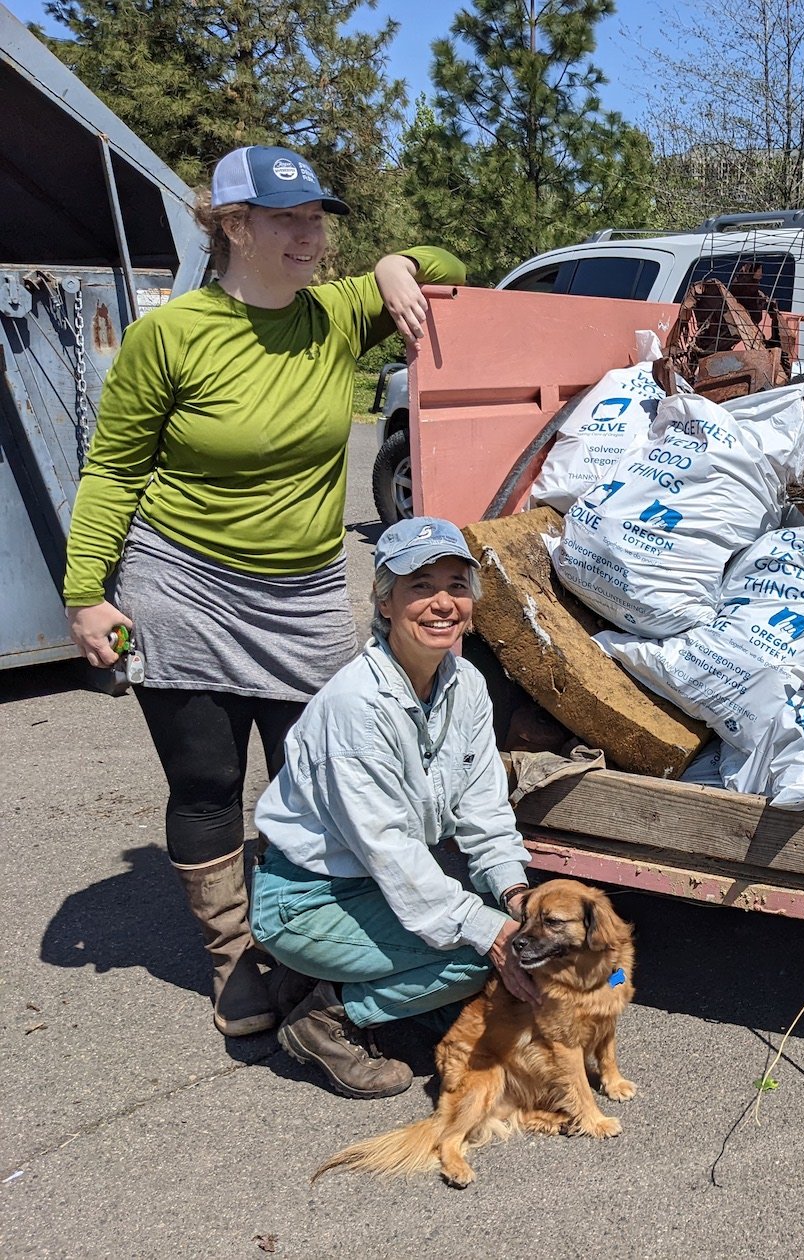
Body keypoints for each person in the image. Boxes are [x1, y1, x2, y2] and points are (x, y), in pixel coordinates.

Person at [60, 145, 468, 1041]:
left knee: (318, 780)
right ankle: (234, 962)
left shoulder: (337, 311)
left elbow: (451, 268)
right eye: (287, 220)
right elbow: (115, 469)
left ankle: (304, 941)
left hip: (307, 592)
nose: (310, 235)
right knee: (208, 779)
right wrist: (86, 593)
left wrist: (396, 265)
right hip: (184, 583)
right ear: (233, 226)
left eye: (318, 218)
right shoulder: (171, 334)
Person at [251, 517, 541, 1099]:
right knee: (482, 956)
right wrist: (493, 933)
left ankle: (334, 979)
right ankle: (327, 1019)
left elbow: (485, 809)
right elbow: (391, 850)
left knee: (517, 933)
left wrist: (516, 895)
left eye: (458, 586)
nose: (442, 603)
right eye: (420, 586)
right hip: (310, 896)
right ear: (385, 604)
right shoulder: (358, 706)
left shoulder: (466, 685)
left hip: (379, 883)